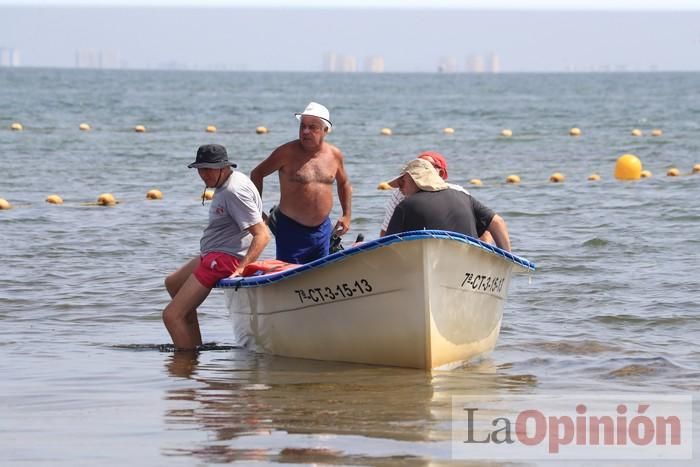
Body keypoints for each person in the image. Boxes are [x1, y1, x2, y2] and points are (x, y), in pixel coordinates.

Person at [163, 144, 270, 350]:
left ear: (223, 167)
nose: (204, 175)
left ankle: (186, 364)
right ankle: (194, 345)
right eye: (200, 169)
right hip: (215, 253)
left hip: (225, 259)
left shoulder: (233, 191)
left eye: (209, 169)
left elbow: (263, 235)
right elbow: (259, 216)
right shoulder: (232, 181)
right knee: (173, 283)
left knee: (171, 316)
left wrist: (241, 268)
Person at [250, 102, 352, 264]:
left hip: (322, 230)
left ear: (325, 130)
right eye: (302, 126)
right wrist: (257, 211)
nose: (305, 131)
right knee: (290, 277)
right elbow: (257, 174)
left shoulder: (334, 155)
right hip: (291, 230)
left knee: (322, 275)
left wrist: (346, 215)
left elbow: (344, 183)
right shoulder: (286, 153)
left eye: (313, 127)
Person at [385, 158, 512, 251]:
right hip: (469, 267)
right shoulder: (465, 198)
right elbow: (498, 222)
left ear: (416, 179)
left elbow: (387, 247)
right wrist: (507, 260)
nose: (400, 189)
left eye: (402, 183)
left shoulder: (405, 205)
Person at [380, 151, 468, 237]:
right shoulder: (400, 193)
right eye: (417, 166)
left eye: (426, 166)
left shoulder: (459, 192)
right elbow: (386, 232)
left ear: (441, 173)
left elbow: (480, 226)